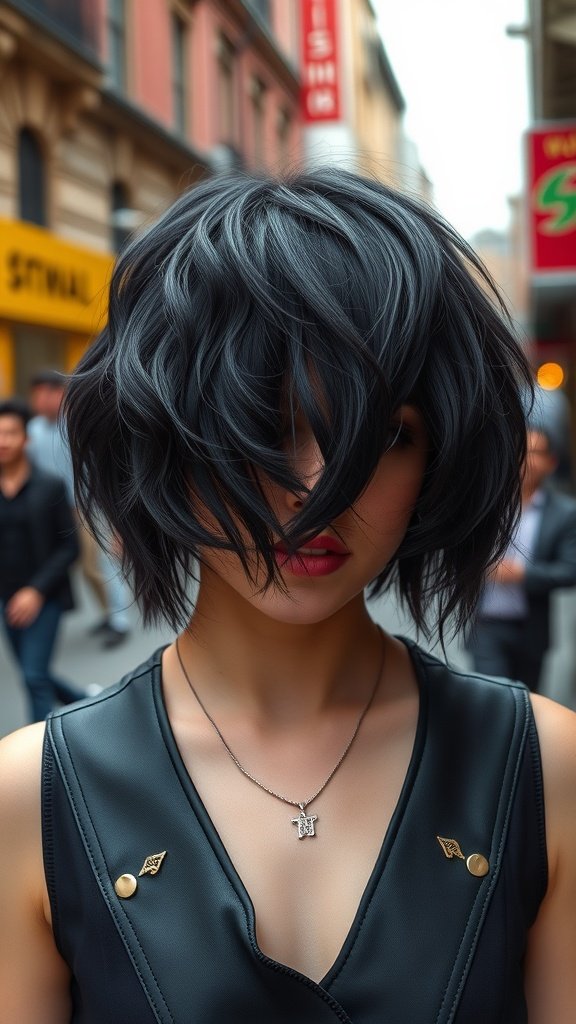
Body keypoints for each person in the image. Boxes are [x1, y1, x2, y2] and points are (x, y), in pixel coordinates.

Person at [0, 169, 575, 1023]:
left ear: (438, 458)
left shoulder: (546, 766)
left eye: (382, 435)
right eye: (259, 424)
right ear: (164, 438)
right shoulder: (32, 793)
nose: (315, 488)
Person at [467, 425, 576, 692]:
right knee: (492, 701)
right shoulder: (486, 504)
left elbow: (570, 571)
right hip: (486, 627)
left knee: (526, 708)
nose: (527, 459)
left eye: (536, 452)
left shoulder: (564, 513)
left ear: (551, 463)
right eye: (521, 451)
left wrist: (522, 575)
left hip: (531, 631)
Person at [28, 369, 132, 647]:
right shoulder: (33, 431)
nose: (42, 399)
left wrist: (119, 524)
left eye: (49, 392)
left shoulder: (78, 426)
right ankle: (107, 614)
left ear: (62, 394)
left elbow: (107, 475)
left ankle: (120, 622)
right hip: (54, 511)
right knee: (83, 569)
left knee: (101, 565)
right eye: (37, 393)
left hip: (88, 509)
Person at [0, 398, 80, 722]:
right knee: (36, 673)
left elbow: (69, 548)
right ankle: (85, 700)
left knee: (33, 677)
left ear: (26, 438)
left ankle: (39, 761)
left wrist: (35, 591)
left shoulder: (50, 486)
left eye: (10, 433)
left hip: (45, 596)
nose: (2, 441)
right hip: (7, 598)